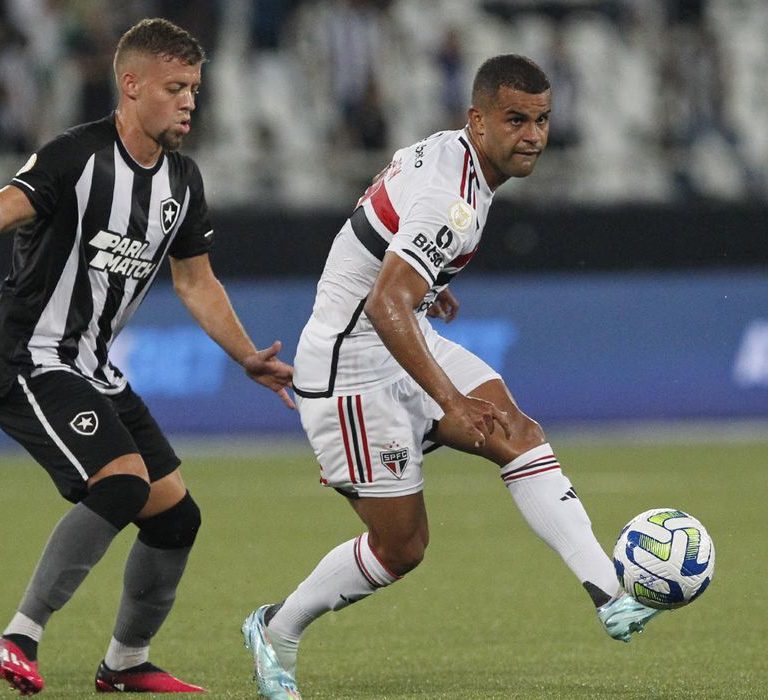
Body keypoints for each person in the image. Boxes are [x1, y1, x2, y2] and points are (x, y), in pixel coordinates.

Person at [241, 54, 663, 699]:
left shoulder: (454, 159)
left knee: (517, 433)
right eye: (516, 119)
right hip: (351, 367)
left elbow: (382, 243)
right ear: (479, 119)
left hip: (400, 334)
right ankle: (276, 629)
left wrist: (426, 285)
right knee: (401, 547)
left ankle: (608, 593)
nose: (534, 135)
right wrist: (449, 399)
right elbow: (385, 303)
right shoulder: (454, 197)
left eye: (543, 120)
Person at [0, 17, 293, 695]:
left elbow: (196, 280)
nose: (190, 100)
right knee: (123, 481)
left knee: (173, 518)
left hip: (96, 370)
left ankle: (125, 663)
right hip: (30, 358)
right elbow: (11, 205)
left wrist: (246, 355)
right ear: (131, 85)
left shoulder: (183, 181)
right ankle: (19, 636)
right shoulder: (75, 156)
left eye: (194, 87)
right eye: (175, 87)